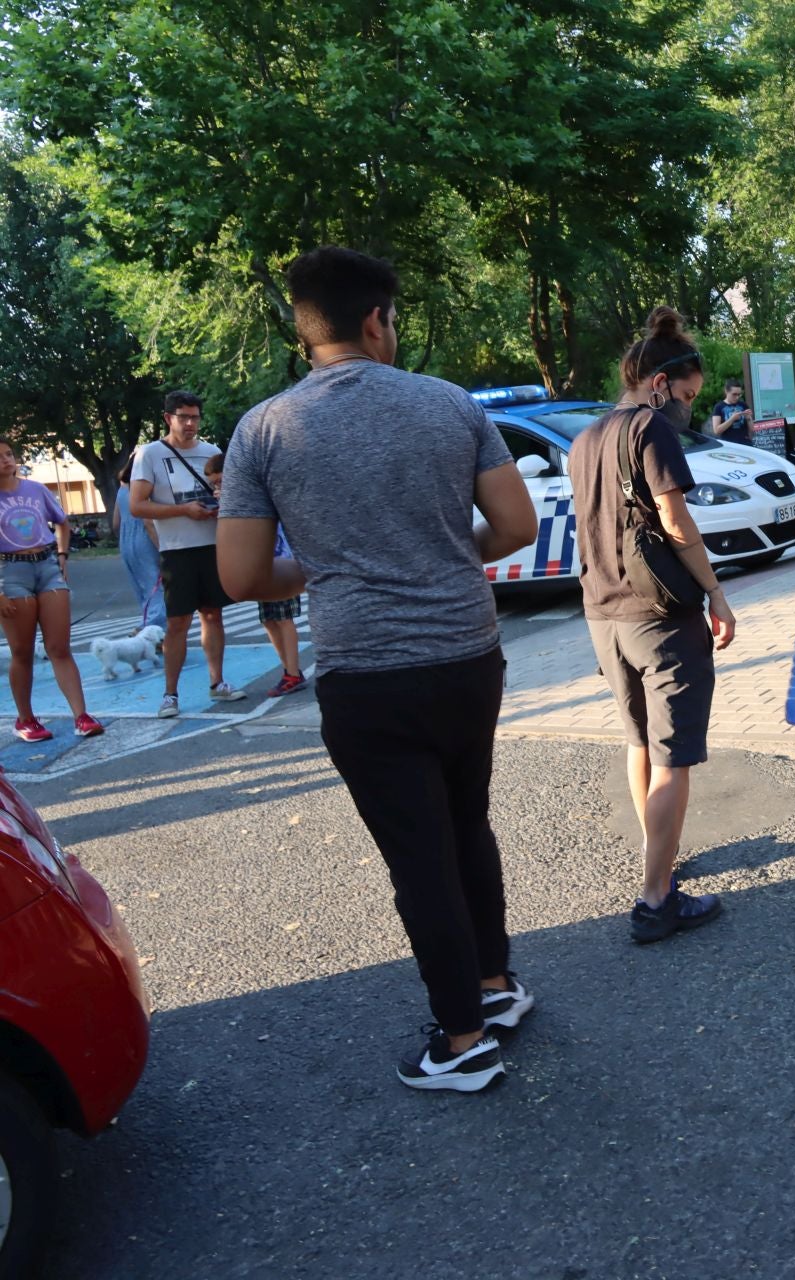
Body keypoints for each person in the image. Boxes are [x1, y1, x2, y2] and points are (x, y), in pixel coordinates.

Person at [217, 246, 539, 1093]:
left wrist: (322, 569)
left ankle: (462, 1040)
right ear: (375, 320)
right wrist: (441, 555)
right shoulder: (450, 404)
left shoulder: (265, 429)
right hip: (469, 657)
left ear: (306, 326)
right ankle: (495, 986)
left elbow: (243, 577)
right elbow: (514, 527)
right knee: (467, 823)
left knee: (418, 856)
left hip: (367, 672)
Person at [571, 307, 734, 944]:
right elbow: (675, 522)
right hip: (660, 616)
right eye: (688, 396)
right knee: (674, 758)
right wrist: (716, 593)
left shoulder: (586, 438)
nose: (689, 409)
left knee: (639, 742)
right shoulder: (649, 429)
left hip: (601, 614)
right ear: (660, 383)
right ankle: (656, 898)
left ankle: (656, 860)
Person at [129, 391, 247, 717]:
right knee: (177, 622)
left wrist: (222, 503)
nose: (191, 423)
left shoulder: (212, 452)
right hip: (177, 550)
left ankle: (218, 682)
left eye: (195, 417)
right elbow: (137, 505)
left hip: (213, 545)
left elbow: (233, 492)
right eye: (184, 417)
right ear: (169, 418)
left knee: (213, 614)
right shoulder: (149, 454)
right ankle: (170, 694)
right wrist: (185, 510)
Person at [0, 441, 103, 742]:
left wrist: (62, 556)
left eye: (9, 454)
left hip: (45, 565)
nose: (7, 460)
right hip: (9, 572)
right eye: (0, 457)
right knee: (22, 651)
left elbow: (62, 522)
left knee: (59, 647)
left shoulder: (35, 489)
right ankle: (25, 719)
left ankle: (81, 716)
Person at [204, 455, 304, 696]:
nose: (218, 487)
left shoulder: (252, 487)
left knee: (284, 617)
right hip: (259, 561)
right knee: (268, 619)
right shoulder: (236, 494)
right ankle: (290, 670)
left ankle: (292, 672)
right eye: (214, 484)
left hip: (282, 557)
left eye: (221, 481)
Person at [111, 458, 164, 630]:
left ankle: (147, 623)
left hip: (126, 541)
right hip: (145, 540)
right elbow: (148, 522)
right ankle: (153, 629)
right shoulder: (142, 489)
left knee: (141, 587)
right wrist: (162, 549)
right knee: (156, 586)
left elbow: (115, 524)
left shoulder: (122, 489)